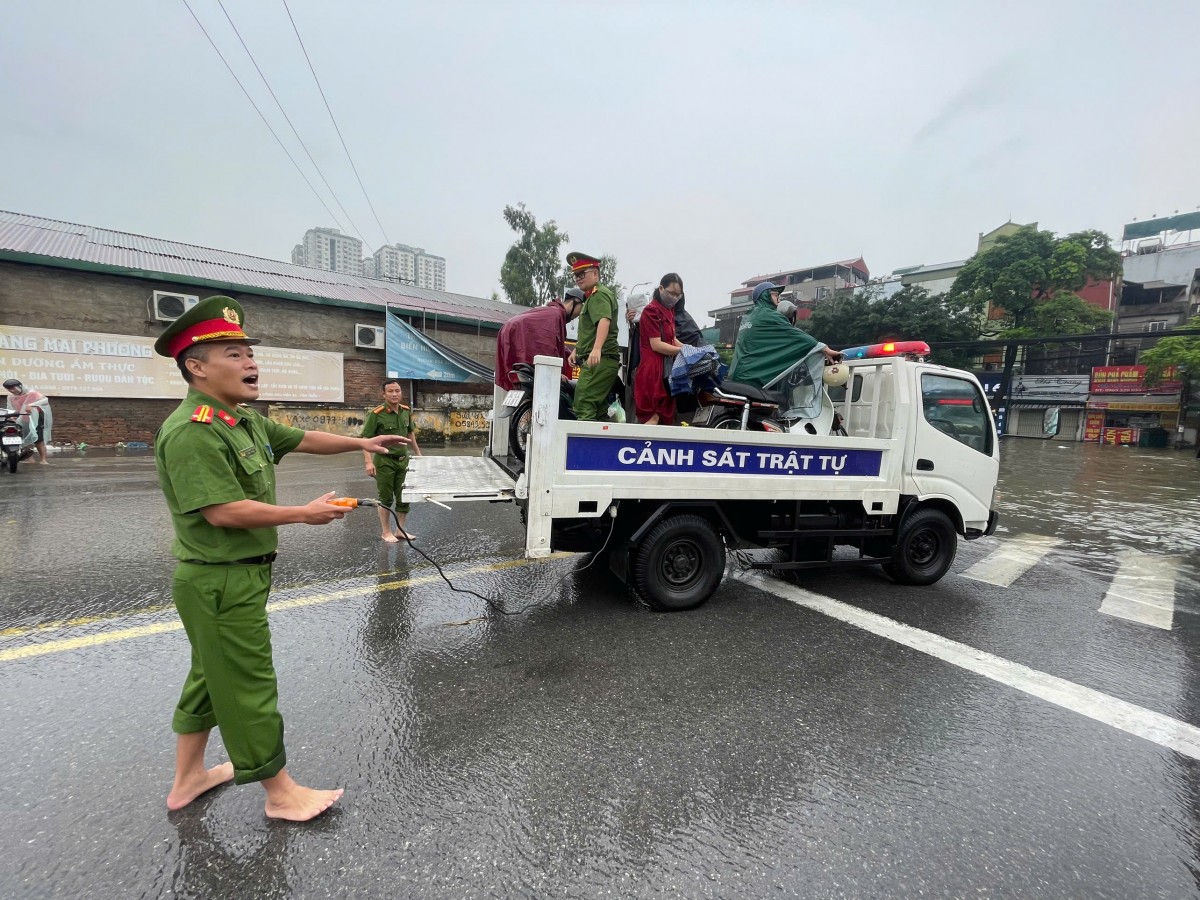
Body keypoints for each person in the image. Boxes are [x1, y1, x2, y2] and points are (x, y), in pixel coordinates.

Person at [153, 295, 410, 822]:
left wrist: (365, 441)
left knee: (210, 677)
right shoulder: (192, 431)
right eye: (233, 353)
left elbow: (300, 437)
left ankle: (188, 779)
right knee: (247, 685)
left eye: (249, 351)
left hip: (230, 579)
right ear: (196, 367)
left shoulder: (239, 420)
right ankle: (280, 793)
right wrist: (302, 513)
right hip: (220, 581)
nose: (250, 362)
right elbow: (221, 511)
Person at [728, 281, 841, 389]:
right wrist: (823, 348)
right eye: (775, 295)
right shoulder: (768, 315)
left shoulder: (749, 316)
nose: (778, 298)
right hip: (752, 378)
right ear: (765, 296)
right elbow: (795, 336)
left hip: (737, 376)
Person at [362, 379, 422, 542]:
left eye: (397, 391)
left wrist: (418, 454)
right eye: (390, 391)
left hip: (404, 461)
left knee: (404, 497)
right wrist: (369, 462)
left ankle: (400, 530)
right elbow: (366, 439)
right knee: (386, 498)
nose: (395, 394)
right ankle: (386, 532)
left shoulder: (405, 411)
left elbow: (410, 434)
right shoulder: (376, 414)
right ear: (383, 394)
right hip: (385, 461)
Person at [565, 251, 621, 421]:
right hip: (601, 360)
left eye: (582, 273)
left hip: (600, 359)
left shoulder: (599, 295)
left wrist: (596, 349)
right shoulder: (592, 297)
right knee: (598, 410)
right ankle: (601, 446)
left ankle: (585, 448)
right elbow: (590, 330)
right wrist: (578, 350)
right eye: (575, 275)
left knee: (584, 402)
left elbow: (604, 321)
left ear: (595, 273)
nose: (578, 278)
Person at [494, 289, 585, 389]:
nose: (578, 314)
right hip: (515, 332)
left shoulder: (553, 312)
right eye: (581, 307)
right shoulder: (556, 315)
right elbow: (547, 344)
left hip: (508, 330)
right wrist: (555, 370)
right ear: (575, 302)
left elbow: (557, 345)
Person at [635, 275, 686, 425]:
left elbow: (672, 340)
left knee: (665, 421)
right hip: (652, 372)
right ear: (661, 288)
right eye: (671, 293)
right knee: (653, 418)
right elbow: (656, 345)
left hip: (667, 370)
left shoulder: (669, 311)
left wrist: (691, 350)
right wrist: (684, 352)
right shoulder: (651, 310)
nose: (674, 298)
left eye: (678, 295)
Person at [3, 379, 52, 464]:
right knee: (22, 437)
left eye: (13, 388)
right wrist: (12, 416)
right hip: (21, 417)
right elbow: (10, 408)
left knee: (38, 439)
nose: (12, 391)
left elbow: (45, 401)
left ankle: (43, 459)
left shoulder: (32, 393)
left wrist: (31, 405)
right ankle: (30, 458)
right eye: (9, 389)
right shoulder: (10, 397)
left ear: (20, 386)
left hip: (35, 418)